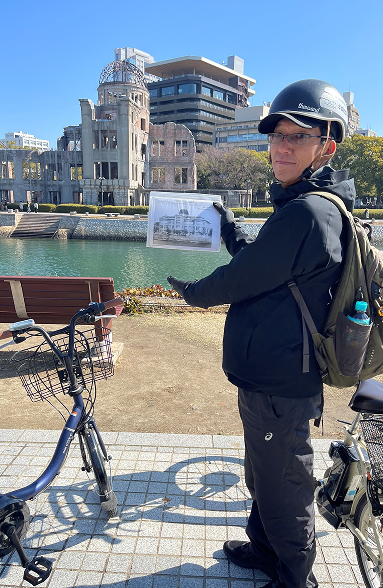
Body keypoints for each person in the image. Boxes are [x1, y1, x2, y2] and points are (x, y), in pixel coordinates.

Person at [167, 80, 353, 588]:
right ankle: (265, 548)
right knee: (264, 474)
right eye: (276, 136)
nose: (281, 147)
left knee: (284, 485)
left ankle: (296, 578)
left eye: (298, 136)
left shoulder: (308, 212)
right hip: (273, 376)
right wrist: (230, 228)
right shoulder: (304, 205)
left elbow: (241, 278)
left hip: (281, 383)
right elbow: (267, 265)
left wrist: (192, 292)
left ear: (327, 146)